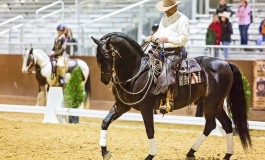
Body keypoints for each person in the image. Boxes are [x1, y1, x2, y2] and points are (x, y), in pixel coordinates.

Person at [146, 0, 189, 114]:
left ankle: (169, 100)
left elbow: (184, 38)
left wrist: (169, 39)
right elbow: (159, 33)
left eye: (167, 9)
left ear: (174, 7)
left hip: (176, 51)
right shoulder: (164, 18)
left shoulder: (182, 19)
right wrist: (152, 37)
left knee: (168, 68)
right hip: (162, 50)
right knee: (147, 61)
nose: (165, 12)